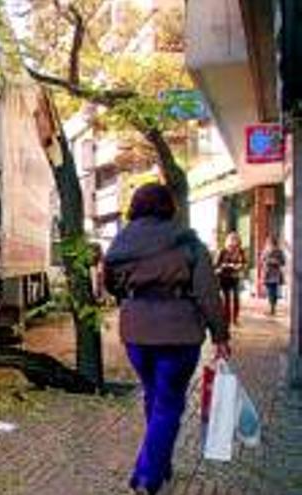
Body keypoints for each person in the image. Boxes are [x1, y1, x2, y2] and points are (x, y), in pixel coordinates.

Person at [104, 183, 230, 495]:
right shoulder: (187, 242)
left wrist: (135, 297)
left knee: (153, 396)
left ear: (135, 207)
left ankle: (159, 462)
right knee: (169, 403)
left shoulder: (121, 241)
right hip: (178, 333)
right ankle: (146, 477)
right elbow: (207, 293)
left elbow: (110, 284)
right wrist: (220, 334)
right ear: (168, 207)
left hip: (136, 333)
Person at [216, 232, 246, 327]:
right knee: (227, 299)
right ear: (228, 241)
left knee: (236, 298)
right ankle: (227, 319)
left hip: (235, 277)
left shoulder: (240, 251)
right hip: (224, 278)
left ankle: (235, 318)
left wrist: (240, 266)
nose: (234, 242)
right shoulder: (222, 251)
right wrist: (225, 265)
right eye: (232, 239)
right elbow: (216, 265)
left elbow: (244, 263)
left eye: (236, 239)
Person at [260, 235, 286, 316]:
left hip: (275, 273)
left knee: (273, 291)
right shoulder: (265, 251)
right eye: (268, 242)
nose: (269, 244)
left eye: (271, 242)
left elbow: (283, 262)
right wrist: (267, 261)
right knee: (269, 291)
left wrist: (276, 261)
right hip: (267, 273)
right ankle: (272, 307)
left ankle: (272, 308)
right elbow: (262, 260)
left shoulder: (279, 251)